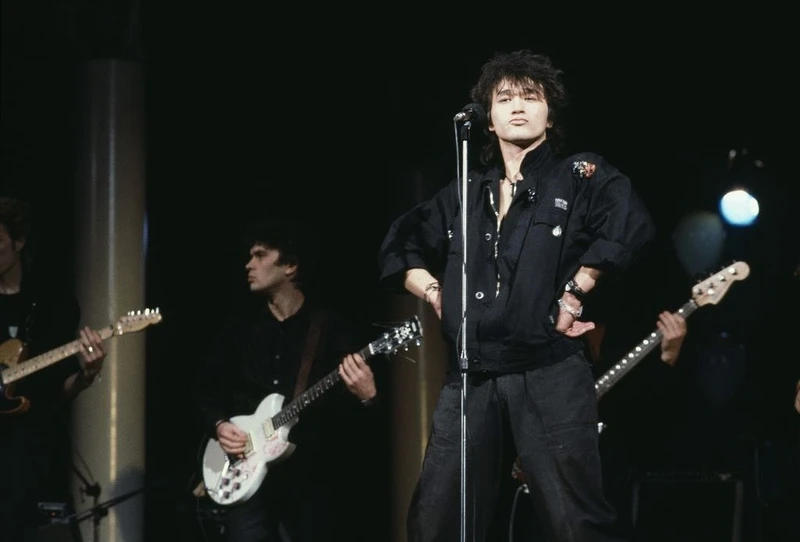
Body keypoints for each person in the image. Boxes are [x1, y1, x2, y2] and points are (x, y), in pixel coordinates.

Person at [377, 50, 656, 541]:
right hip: (472, 375)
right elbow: (399, 245)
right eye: (504, 98)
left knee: (576, 521)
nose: (518, 106)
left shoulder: (578, 174)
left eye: (531, 96)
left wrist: (577, 290)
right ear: (488, 118)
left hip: (547, 367)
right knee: (435, 520)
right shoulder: (467, 191)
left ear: (551, 112)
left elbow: (629, 222)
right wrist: (436, 291)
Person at [192, 218, 383, 542]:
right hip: (246, 473)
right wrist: (219, 425)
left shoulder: (330, 329)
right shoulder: (240, 329)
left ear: (290, 266)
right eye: (250, 256)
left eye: (260, 255)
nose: (249, 264)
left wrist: (368, 397)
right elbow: (205, 388)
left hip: (312, 478)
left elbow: (356, 421)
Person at [0, 196, 107, 542]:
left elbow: (61, 388)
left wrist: (87, 374)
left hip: (31, 455)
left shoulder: (52, 304)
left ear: (19, 241)